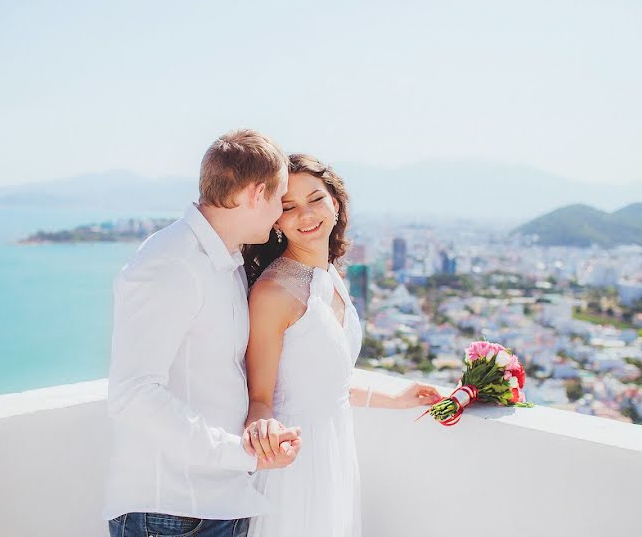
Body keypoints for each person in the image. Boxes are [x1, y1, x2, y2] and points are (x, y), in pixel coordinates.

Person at [104, 129, 302, 537]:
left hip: (216, 504)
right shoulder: (171, 262)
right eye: (279, 201)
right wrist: (236, 452)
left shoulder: (223, 261)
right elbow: (133, 393)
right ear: (255, 194)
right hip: (172, 514)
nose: (280, 215)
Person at [241, 154, 442, 537]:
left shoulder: (330, 276)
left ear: (335, 203)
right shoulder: (272, 293)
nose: (306, 214)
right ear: (276, 220)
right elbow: (260, 397)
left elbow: (326, 382)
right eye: (289, 206)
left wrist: (396, 398)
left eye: (315, 199)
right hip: (295, 466)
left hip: (336, 452)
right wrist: (263, 433)